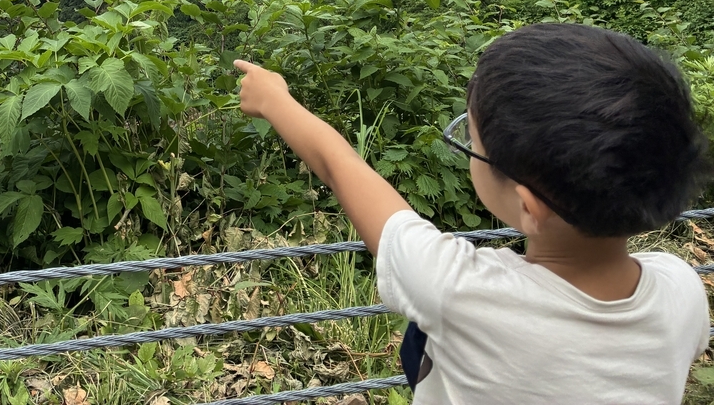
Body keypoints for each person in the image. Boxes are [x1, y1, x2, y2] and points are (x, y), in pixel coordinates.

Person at [236, 22, 710, 403]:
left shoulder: (461, 290)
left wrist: (276, 102)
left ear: (529, 205)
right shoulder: (683, 291)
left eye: (473, 143)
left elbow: (341, 170)